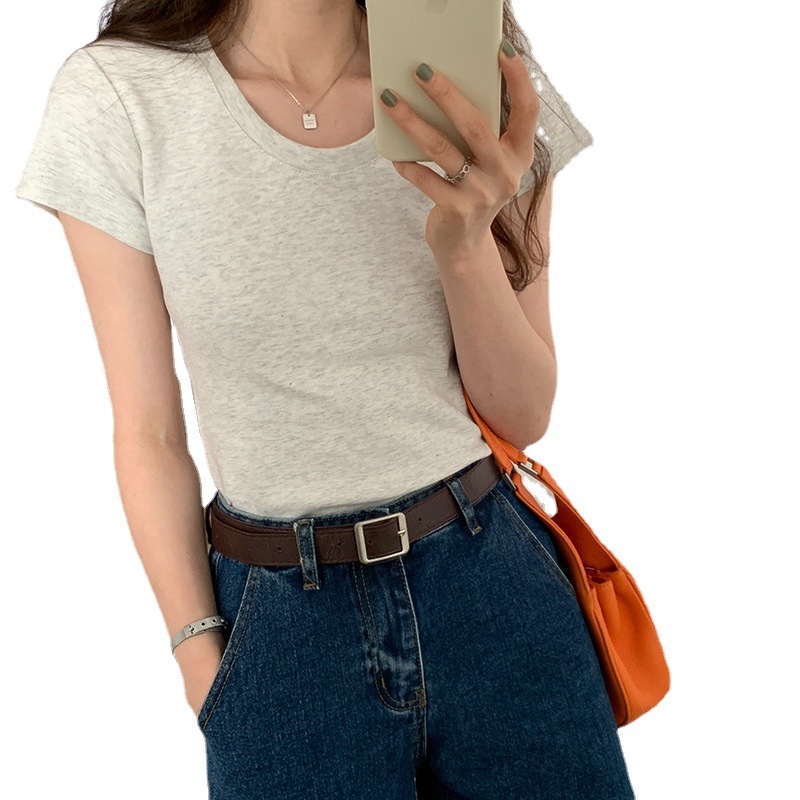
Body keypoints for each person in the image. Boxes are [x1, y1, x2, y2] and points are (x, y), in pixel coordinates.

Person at [15, 1, 635, 797]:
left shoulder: (474, 71)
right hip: (281, 630)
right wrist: (202, 661)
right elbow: (149, 430)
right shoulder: (121, 94)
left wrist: (464, 242)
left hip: (494, 591)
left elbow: (523, 413)